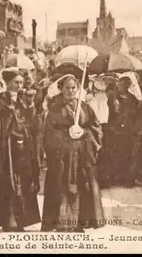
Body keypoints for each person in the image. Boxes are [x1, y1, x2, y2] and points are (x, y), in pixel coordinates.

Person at [41, 74, 104, 232]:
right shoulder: (54, 109)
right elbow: (47, 133)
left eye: (73, 87)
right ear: (61, 89)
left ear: (78, 88)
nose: (70, 91)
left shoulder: (84, 107)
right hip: (62, 156)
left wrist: (84, 132)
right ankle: (62, 223)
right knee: (62, 188)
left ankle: (80, 222)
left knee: (82, 186)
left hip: (82, 155)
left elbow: (96, 128)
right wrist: (65, 134)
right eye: (67, 88)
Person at [0, 67, 41, 232]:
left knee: (24, 180)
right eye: (16, 82)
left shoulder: (23, 98)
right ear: (7, 83)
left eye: (21, 82)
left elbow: (31, 121)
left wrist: (29, 106)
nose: (19, 85)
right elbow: (2, 120)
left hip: (23, 145)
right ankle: (9, 221)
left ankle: (22, 220)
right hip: (8, 146)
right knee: (10, 182)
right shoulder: (0, 98)